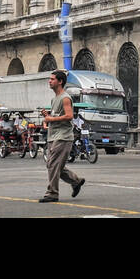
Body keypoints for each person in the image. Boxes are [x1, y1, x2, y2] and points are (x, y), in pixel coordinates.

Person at [39, 69, 84, 203]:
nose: (49, 81)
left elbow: (69, 116)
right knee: (53, 164)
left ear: (60, 82)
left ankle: (52, 193)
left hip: (63, 137)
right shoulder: (54, 99)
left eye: (52, 79)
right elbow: (56, 116)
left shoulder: (65, 98)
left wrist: (51, 119)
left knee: (53, 164)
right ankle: (75, 181)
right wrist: (47, 116)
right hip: (53, 136)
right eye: (50, 78)